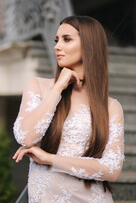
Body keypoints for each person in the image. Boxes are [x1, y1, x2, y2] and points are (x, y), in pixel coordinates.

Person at [12, 15, 125, 203]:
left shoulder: (111, 107)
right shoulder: (38, 87)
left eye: (67, 39)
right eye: (57, 40)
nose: (57, 46)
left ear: (89, 45)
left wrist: (50, 159)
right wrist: (58, 88)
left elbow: (112, 169)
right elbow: (26, 137)